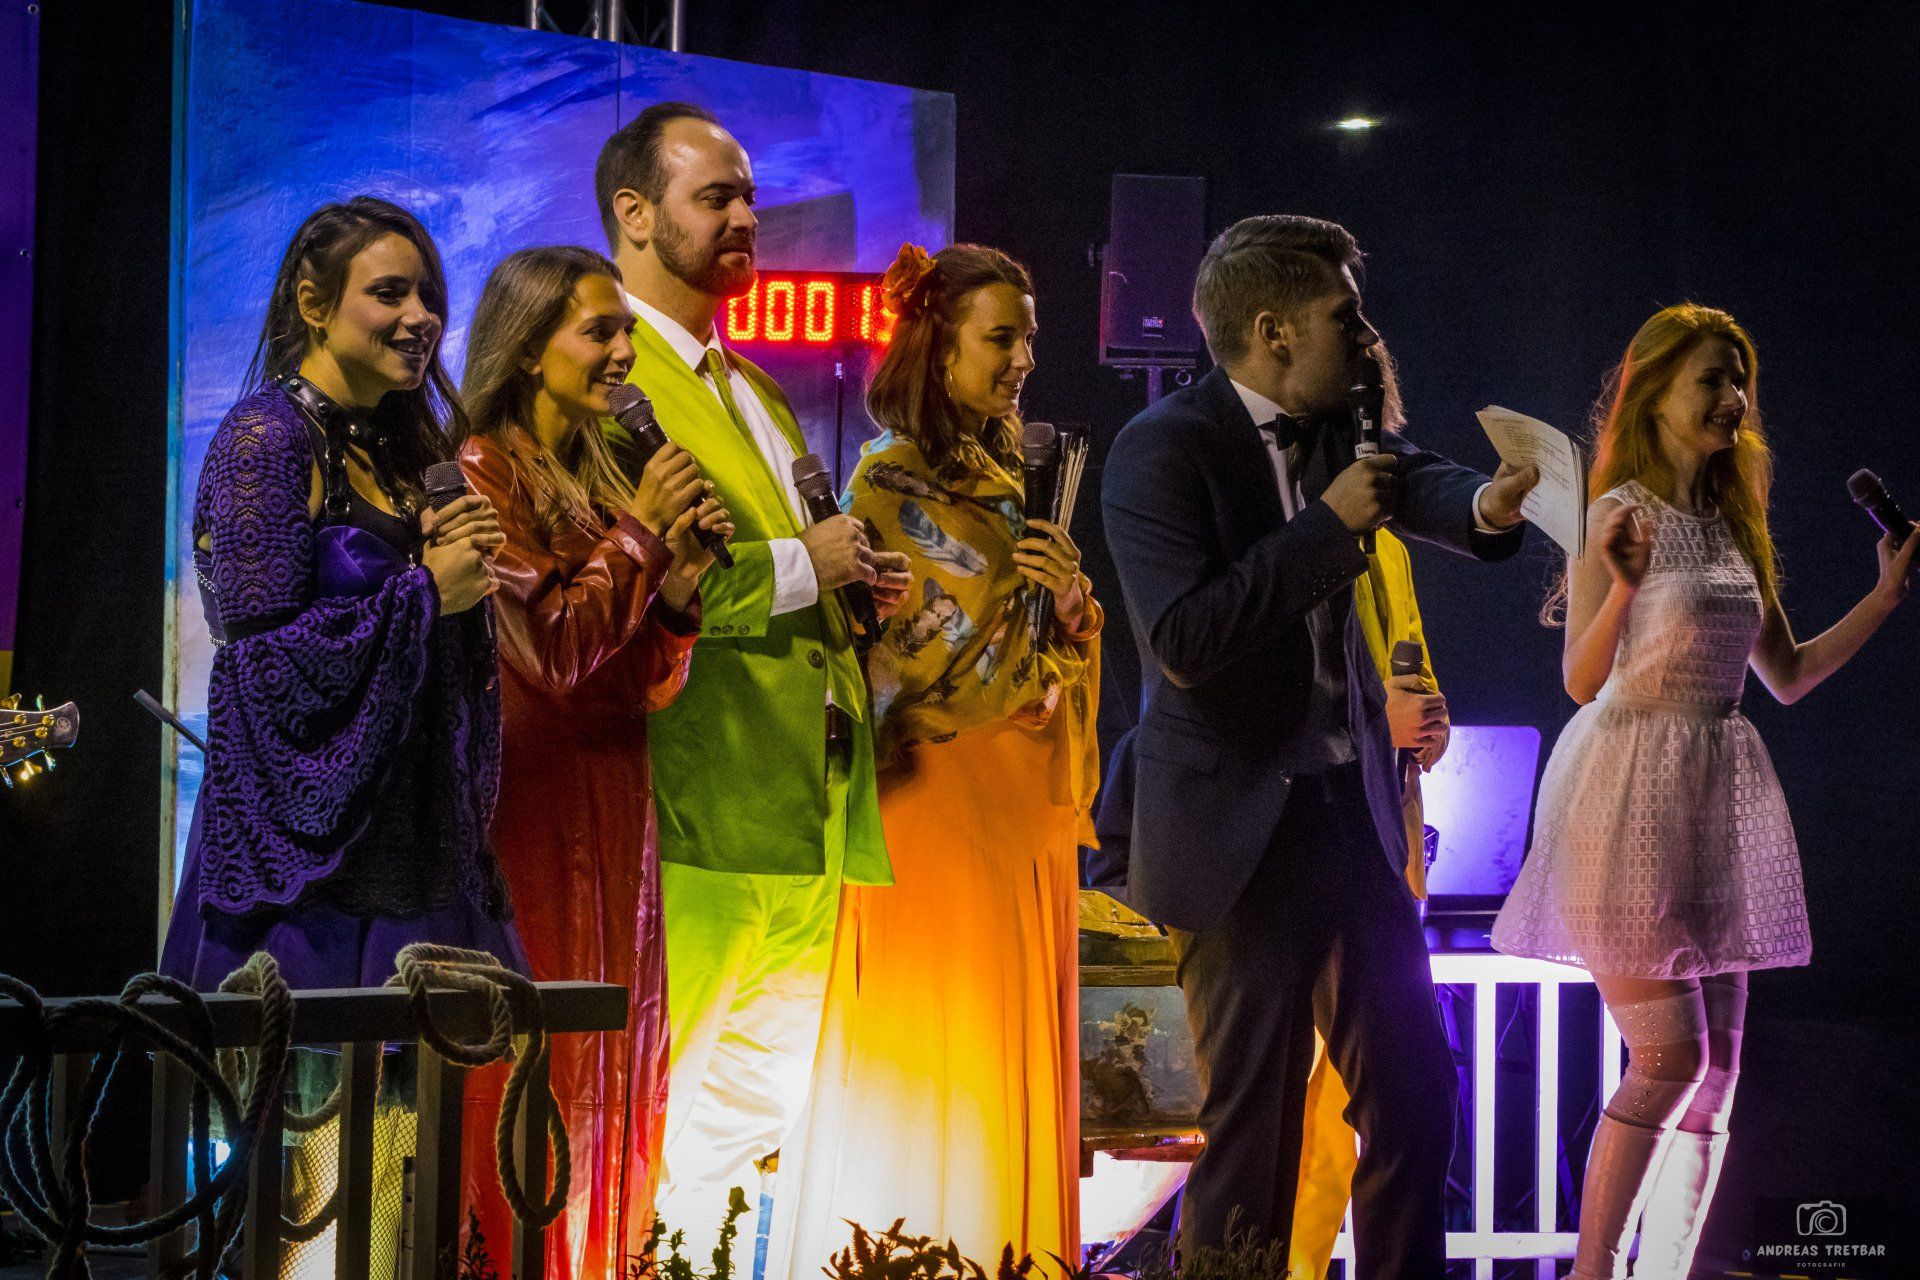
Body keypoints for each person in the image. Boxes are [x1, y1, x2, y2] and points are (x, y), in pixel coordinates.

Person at [1101, 214, 1538, 1279]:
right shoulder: (1160, 448)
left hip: (1351, 815)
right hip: (1234, 833)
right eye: (1346, 315)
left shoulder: (1344, 423)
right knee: (1254, 1127)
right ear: (1273, 331)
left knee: (1417, 1100)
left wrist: (1490, 501)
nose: (1368, 336)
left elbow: (1420, 481)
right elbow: (1186, 642)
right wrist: (1325, 528)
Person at [1492, 304, 1916, 1280]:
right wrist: (1625, 584)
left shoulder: (1733, 517)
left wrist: (1884, 597)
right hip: (1626, 795)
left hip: (1713, 802)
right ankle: (1596, 1272)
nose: (1734, 397)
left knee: (1717, 1075)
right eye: (1713, 380)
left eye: (1740, 380)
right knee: (1669, 1061)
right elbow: (1581, 680)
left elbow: (1788, 674)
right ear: (1656, 393)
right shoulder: (1617, 510)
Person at [591, 101, 912, 1246]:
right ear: (635, 215)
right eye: (713, 196)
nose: (743, 218)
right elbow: (639, 587)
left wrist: (854, 585)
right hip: (698, 804)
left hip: (805, 807)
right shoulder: (609, 379)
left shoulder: (755, 387)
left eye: (750, 199)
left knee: (747, 1121)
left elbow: (794, 565)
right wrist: (803, 564)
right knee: (657, 1105)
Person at [771, 243, 1102, 1272]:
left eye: (1030, 339)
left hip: (1023, 799)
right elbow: (889, 660)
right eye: (1002, 338)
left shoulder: (1017, 484)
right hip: (937, 798)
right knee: (935, 1054)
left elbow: (1043, 646)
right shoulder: (886, 482)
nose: (1023, 360)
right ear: (939, 344)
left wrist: (1073, 606)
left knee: (1005, 1054)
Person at [161, 194, 521, 991]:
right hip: (304, 882)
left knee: (421, 1073)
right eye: (390, 293)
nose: (422, 317)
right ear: (314, 304)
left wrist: (455, 583)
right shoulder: (264, 440)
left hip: (415, 846)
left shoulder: (404, 449)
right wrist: (427, 594)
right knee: (312, 1071)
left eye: (428, 295)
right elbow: (256, 669)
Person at [456, 245, 732, 1279]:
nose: (624, 351)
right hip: (532, 811)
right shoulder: (481, 469)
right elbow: (554, 651)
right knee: (542, 1058)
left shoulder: (596, 474)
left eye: (626, 331)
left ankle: (608, 1259)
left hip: (617, 797)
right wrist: (642, 533)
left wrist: (678, 591)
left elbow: (643, 682)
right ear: (529, 347)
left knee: (621, 1060)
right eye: (599, 331)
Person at [1288, 342, 1452, 1280]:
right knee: (1305, 1113)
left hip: (1385, 844)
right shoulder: (1300, 528)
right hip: (1311, 848)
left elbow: (1404, 667)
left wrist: (1426, 723)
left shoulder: (1390, 543)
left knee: (1386, 1107)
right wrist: (1372, 718)